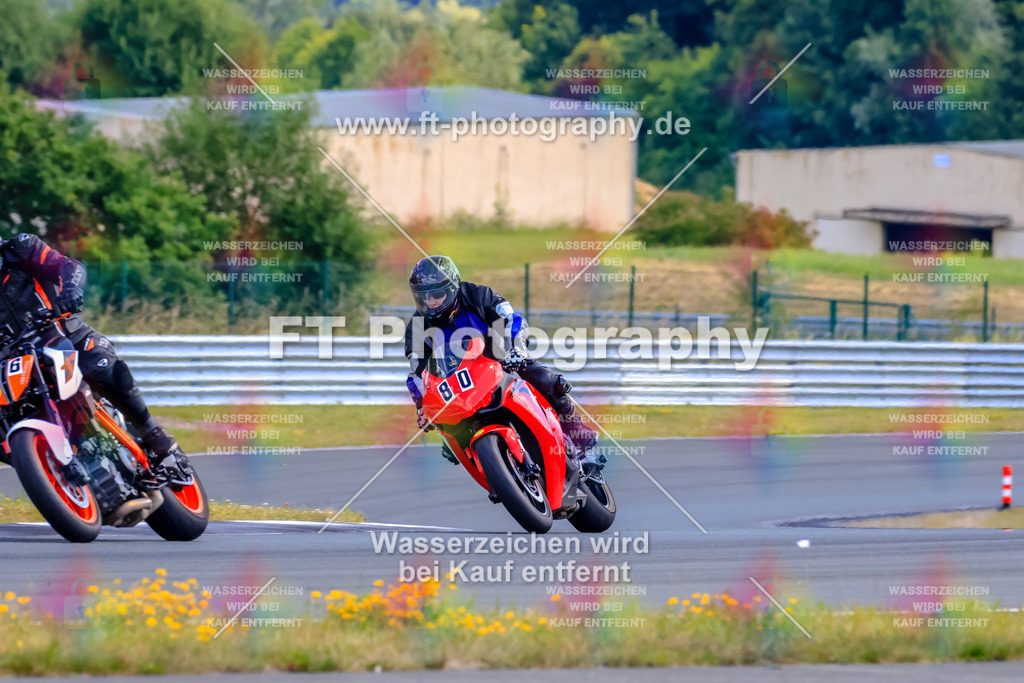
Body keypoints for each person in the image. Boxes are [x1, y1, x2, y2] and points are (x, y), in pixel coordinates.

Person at [0, 233, 185, 480]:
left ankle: (151, 432)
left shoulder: (20, 249)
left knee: (104, 368)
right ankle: (44, 467)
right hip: (14, 362)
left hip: (61, 331)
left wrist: (71, 290)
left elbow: (69, 266)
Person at [404, 255, 596, 458]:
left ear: (452, 288)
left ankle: (575, 430)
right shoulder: (416, 328)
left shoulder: (478, 295)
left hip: (501, 360)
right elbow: (418, 373)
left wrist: (516, 349)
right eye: (423, 296)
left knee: (548, 382)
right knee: (450, 443)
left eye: (436, 294)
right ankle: (496, 480)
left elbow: (510, 319)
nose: (430, 302)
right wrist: (422, 407)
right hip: (460, 384)